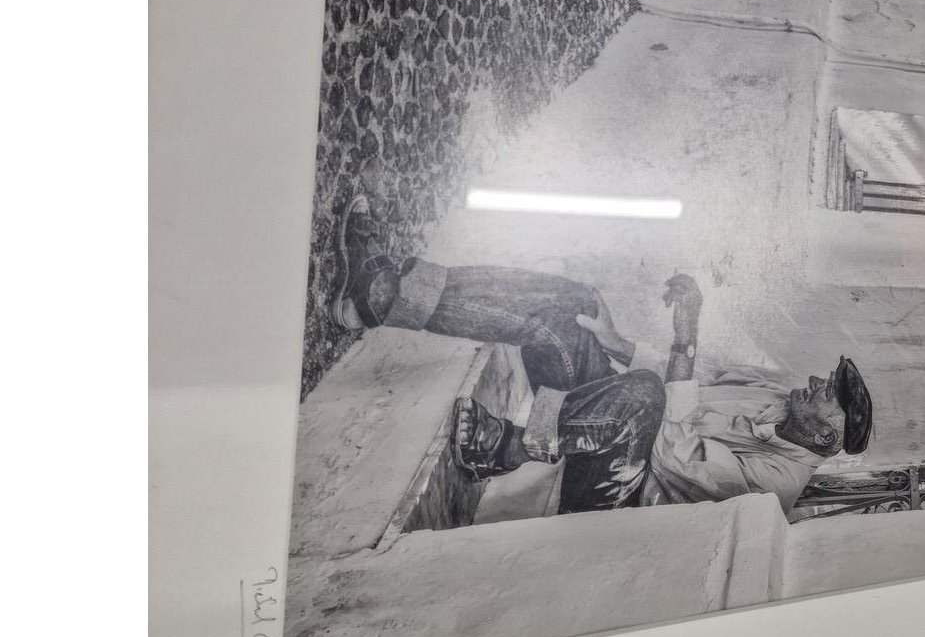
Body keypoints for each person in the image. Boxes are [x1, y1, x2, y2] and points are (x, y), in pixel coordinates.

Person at [328, 196, 874, 517]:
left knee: (644, 396)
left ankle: (500, 449)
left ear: (827, 437)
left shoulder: (775, 485)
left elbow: (672, 453)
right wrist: (614, 341)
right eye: (827, 379)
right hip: (602, 420)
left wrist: (686, 336)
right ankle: (384, 295)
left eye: (828, 393)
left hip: (613, 489)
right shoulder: (774, 392)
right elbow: (690, 375)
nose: (815, 382)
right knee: (577, 305)